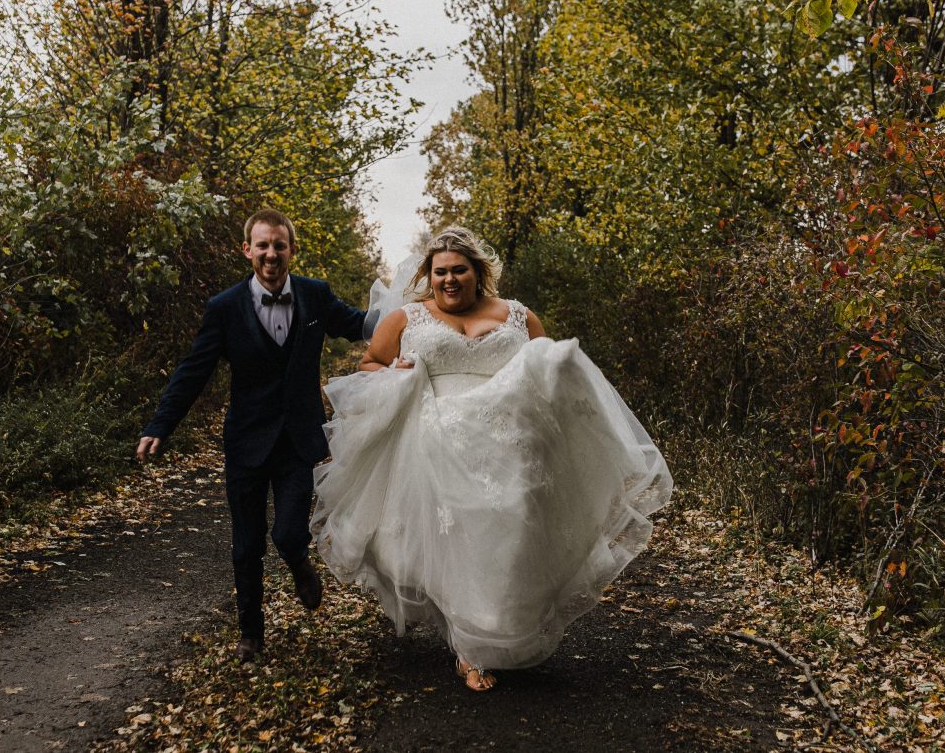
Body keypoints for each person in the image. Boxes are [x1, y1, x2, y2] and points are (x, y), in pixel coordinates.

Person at [311, 227, 673, 691]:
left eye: (458, 269)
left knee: (513, 536)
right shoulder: (405, 318)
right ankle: (470, 647)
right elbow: (369, 365)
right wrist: (395, 371)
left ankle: (500, 621)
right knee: (458, 537)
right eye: (440, 271)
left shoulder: (519, 316)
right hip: (435, 442)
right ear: (428, 274)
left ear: (477, 272)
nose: (449, 279)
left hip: (510, 446)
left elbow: (546, 370)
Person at [137, 208, 366, 663]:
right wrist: (160, 425)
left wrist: (420, 318)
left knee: (286, 533)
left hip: (299, 439)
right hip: (246, 440)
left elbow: (360, 324)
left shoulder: (315, 296)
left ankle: (299, 562)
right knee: (246, 542)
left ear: (291, 249)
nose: (271, 253)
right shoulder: (224, 308)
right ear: (247, 250)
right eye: (262, 245)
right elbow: (193, 371)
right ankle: (251, 633)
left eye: (279, 245)